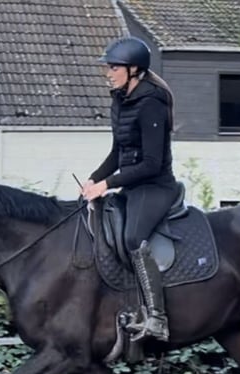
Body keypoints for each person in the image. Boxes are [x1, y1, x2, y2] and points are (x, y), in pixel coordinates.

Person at [81, 36, 178, 343]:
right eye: (108, 68)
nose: (108, 73)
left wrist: (107, 185)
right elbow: (117, 153)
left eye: (114, 67)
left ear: (133, 69)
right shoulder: (121, 100)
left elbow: (151, 163)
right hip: (132, 186)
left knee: (134, 236)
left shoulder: (151, 104)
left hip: (155, 186)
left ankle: (157, 319)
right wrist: (93, 179)